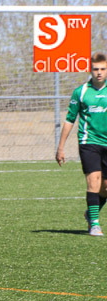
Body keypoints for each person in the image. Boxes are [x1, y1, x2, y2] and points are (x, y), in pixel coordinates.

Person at [56, 53, 107, 236]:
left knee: (105, 188)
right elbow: (70, 119)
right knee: (93, 180)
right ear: (90, 70)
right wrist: (60, 147)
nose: (99, 72)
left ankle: (90, 213)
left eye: (103, 69)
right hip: (89, 142)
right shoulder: (81, 92)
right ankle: (95, 224)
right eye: (96, 69)